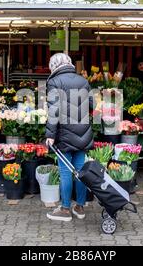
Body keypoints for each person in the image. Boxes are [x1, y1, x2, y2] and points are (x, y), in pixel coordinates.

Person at [45, 53, 94, 222]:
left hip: (64, 134)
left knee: (66, 172)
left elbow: (53, 110)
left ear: (54, 65)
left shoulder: (54, 82)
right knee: (80, 171)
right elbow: (91, 105)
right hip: (83, 133)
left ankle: (65, 209)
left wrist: (50, 135)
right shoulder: (83, 80)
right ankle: (80, 207)